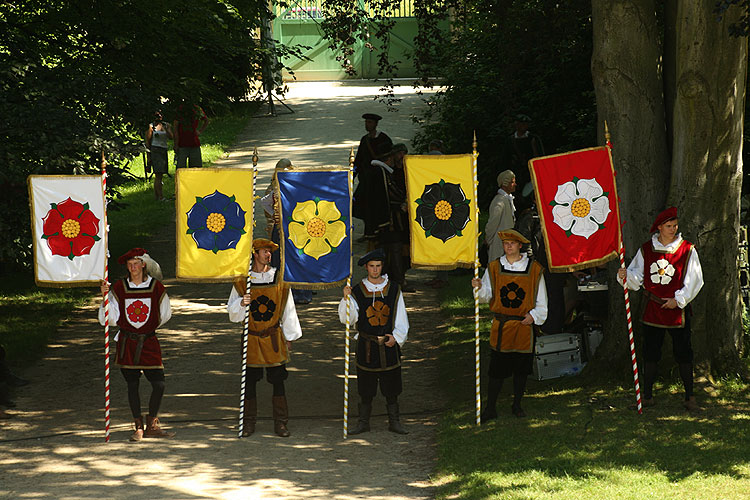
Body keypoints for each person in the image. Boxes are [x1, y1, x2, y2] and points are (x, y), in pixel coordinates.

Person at [617, 207, 704, 411]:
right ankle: (647, 396)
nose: (673, 229)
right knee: (650, 353)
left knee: (684, 353)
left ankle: (689, 397)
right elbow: (637, 276)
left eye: (675, 225)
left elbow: (695, 280)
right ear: (659, 227)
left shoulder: (687, 249)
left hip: (677, 310)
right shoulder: (647, 249)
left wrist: (678, 299)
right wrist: (625, 275)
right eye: (668, 226)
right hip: (653, 308)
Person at [227, 238, 302, 437]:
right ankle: (249, 422)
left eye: (269, 251)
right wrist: (242, 303)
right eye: (263, 251)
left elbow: (288, 308)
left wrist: (290, 336)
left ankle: (281, 422)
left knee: (278, 380)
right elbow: (232, 314)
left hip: (273, 337)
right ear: (254, 253)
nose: (268, 254)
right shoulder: (243, 280)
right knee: (250, 381)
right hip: (251, 338)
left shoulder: (279, 278)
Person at [99, 248, 174, 441]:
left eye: (136, 263)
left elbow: (164, 314)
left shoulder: (156, 287)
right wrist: (104, 298)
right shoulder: (119, 287)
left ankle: (152, 424)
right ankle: (138, 426)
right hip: (128, 343)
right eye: (129, 264)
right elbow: (111, 318)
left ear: (143, 265)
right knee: (132, 385)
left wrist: (146, 329)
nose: (132, 267)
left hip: (148, 341)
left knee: (159, 384)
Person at [472, 229, 547, 420]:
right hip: (502, 326)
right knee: (496, 370)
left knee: (521, 369)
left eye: (512, 243)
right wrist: (479, 287)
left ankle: (517, 405)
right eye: (505, 243)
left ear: (519, 245)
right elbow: (487, 295)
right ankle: (490, 408)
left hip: (523, 325)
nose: (508, 246)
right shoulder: (494, 267)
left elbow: (541, 298)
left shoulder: (534, 269)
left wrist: (534, 316)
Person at [338, 249, 409, 435]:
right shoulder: (357, 290)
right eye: (372, 266)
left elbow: (401, 316)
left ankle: (395, 421)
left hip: (388, 344)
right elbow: (348, 318)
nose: (375, 270)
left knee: (392, 386)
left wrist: (397, 337)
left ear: (381, 267)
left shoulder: (393, 289)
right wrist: (346, 299)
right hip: (366, 345)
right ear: (366, 268)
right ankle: (363, 422)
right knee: (365, 387)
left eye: (378, 266)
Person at [260, 159, 313, 305]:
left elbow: (265, 203)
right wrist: (274, 217)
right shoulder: (279, 188)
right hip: (285, 230)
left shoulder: (278, 188)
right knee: (285, 260)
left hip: (294, 231)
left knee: (297, 259)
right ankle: (288, 291)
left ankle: (302, 290)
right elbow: (265, 203)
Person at [353, 113, 393, 244]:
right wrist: (352, 176)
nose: (367, 125)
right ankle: (368, 232)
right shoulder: (364, 140)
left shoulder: (384, 139)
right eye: (366, 122)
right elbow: (359, 159)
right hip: (366, 180)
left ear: (376, 124)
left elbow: (388, 157)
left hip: (379, 179)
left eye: (369, 122)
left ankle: (380, 233)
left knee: (378, 206)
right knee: (362, 204)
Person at [505, 114, 544, 212]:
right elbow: (505, 158)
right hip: (515, 173)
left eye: (525, 124)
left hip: (530, 173)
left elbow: (540, 157)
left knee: (530, 196)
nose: (523, 126)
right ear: (516, 124)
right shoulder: (510, 140)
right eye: (521, 124)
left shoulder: (533, 139)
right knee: (516, 196)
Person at [484, 170, 517, 262]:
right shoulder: (499, 201)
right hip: (498, 243)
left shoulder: (506, 200)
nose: (515, 184)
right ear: (505, 184)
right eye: (512, 182)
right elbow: (492, 223)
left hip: (507, 242)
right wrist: (488, 240)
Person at [145, 111, 173, 201]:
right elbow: (148, 142)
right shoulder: (151, 126)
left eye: (160, 115)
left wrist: (168, 130)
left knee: (160, 174)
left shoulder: (166, 125)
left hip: (163, 150)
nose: (159, 116)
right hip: (155, 150)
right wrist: (148, 156)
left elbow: (171, 137)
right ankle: (160, 197)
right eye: (157, 115)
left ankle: (157, 196)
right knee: (158, 174)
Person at [173, 101, 209, 168]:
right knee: (180, 169)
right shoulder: (180, 109)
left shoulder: (197, 109)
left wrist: (200, 131)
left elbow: (206, 120)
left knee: (196, 169)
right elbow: (175, 129)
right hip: (182, 144)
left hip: (194, 143)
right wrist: (176, 144)